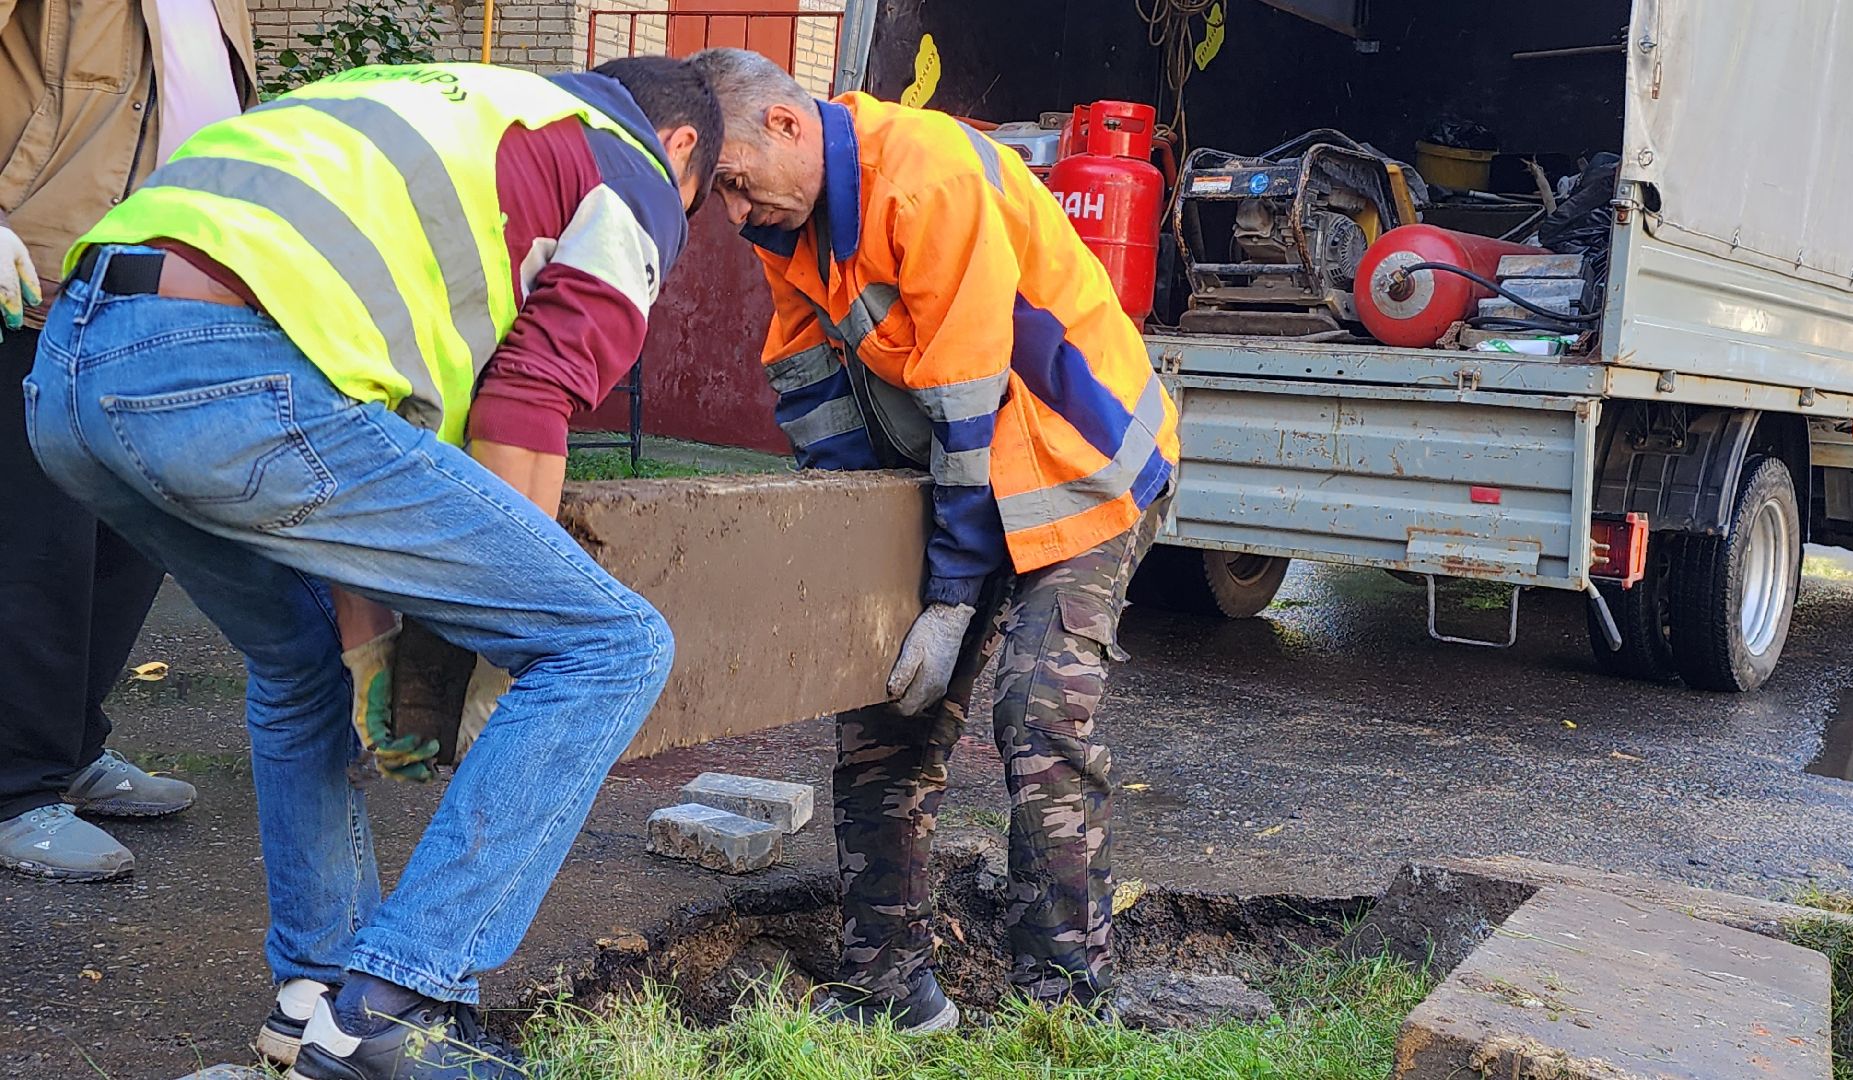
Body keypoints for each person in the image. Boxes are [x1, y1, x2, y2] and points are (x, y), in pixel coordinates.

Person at [24, 56, 721, 1080]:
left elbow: (357, 473)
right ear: (685, 146)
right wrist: (497, 640)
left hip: (73, 376)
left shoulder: (454, 111)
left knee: (297, 656)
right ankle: (403, 1004)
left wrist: (377, 671)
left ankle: (317, 1001)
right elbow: (530, 399)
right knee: (610, 644)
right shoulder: (631, 166)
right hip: (229, 369)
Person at [689, 47, 1180, 1029]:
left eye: (736, 184)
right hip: (960, 473)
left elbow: (964, 401)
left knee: (1037, 717)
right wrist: (852, 544)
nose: (733, 214)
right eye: (719, 198)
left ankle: (1064, 1004)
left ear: (787, 125)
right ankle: (888, 992)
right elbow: (806, 380)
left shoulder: (929, 174)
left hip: (1073, 467)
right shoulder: (791, 223)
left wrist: (952, 601)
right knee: (884, 718)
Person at [0, 0, 256, 882]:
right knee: (38, 544)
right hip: (38, 271)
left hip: (165, 290)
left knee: (135, 534)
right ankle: (13, 785)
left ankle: (69, 748)